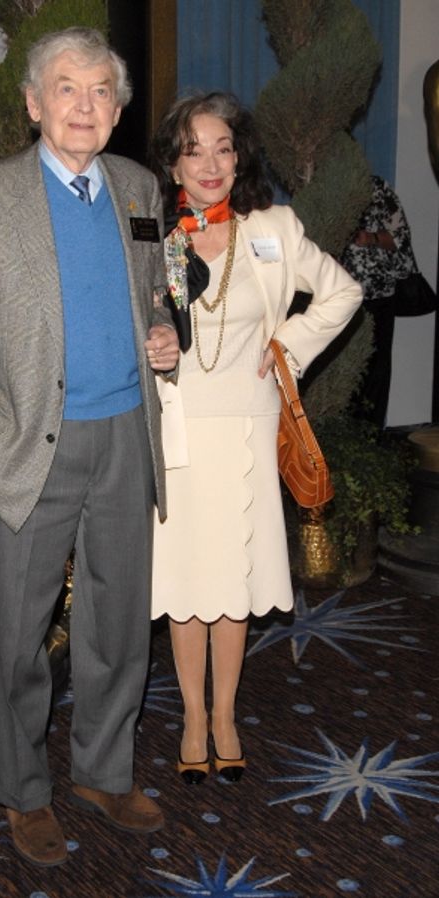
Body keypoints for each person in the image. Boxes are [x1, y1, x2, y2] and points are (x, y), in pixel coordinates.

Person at [0, 27, 179, 866]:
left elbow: (155, 295)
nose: (85, 105)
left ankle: (104, 773)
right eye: (66, 88)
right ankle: (24, 791)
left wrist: (164, 333)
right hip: (29, 448)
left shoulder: (140, 187)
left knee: (120, 625)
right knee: (22, 635)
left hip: (127, 436)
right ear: (35, 104)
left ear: (118, 108)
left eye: (101, 90)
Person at [148, 92, 362, 785]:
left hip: (245, 422)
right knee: (188, 578)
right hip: (176, 426)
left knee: (234, 577)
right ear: (173, 163)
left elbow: (343, 292)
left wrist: (288, 345)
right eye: (194, 150)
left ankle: (225, 716)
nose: (210, 164)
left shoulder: (273, 227)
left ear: (240, 158)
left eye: (224, 148)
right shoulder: (153, 235)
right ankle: (191, 716)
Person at [340, 175, 418, 429]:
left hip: (378, 296)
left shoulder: (378, 190)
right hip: (337, 299)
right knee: (340, 369)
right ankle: (340, 434)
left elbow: (400, 238)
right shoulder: (326, 187)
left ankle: (370, 435)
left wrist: (370, 238)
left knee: (376, 371)